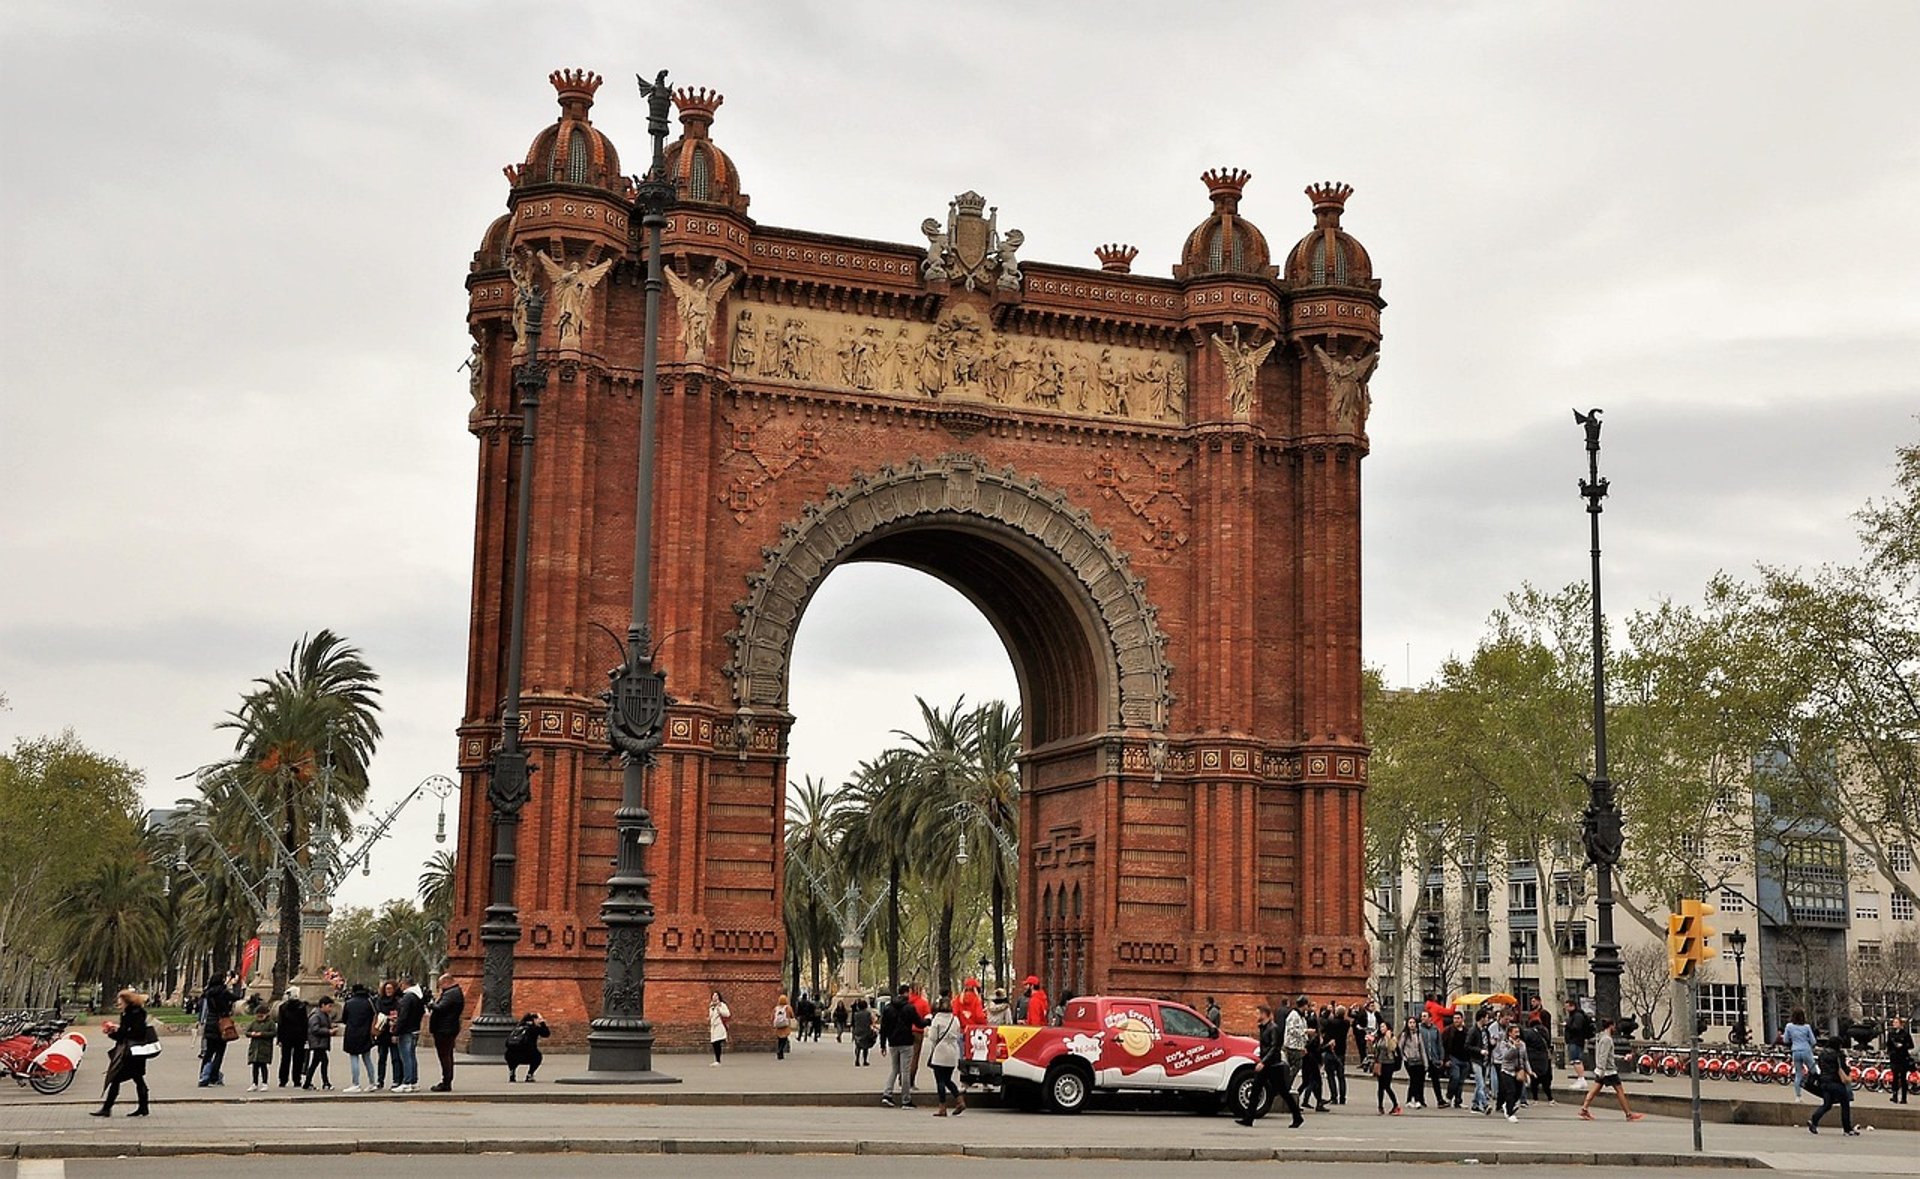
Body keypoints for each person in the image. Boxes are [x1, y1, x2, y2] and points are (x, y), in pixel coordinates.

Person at [1237, 1003, 1304, 1128]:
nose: (1256, 1015)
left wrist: (1263, 1062)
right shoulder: (1264, 1027)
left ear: (1264, 1014)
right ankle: (1249, 1118)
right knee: (1256, 1090)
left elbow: (1274, 1048)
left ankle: (1297, 1117)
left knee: (1284, 1092)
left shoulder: (1273, 1028)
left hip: (1273, 1066)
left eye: (1258, 1013)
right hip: (1267, 1064)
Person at [92, 988, 153, 1118]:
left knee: (116, 1078)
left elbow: (132, 1033)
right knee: (138, 1079)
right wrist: (116, 1031)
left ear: (126, 1001)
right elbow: (129, 1031)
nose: (118, 1003)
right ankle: (143, 1107)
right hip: (136, 1051)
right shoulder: (135, 1012)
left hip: (131, 1052)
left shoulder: (132, 1014)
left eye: (120, 1001)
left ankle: (107, 1108)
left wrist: (113, 1033)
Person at [1577, 1018, 1645, 1122]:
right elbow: (1604, 1056)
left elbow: (1606, 1055)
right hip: (1608, 1071)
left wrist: (1622, 1058)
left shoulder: (1600, 1037)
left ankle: (1584, 1109)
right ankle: (1628, 1114)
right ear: (1611, 1026)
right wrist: (1603, 1070)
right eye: (1614, 1026)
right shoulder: (1607, 1039)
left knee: (1595, 1090)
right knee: (1619, 1091)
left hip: (1602, 1069)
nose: (1615, 1028)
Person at [878, 983, 926, 1108]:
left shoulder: (888, 1008)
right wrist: (928, 1020)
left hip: (893, 1042)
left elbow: (883, 1028)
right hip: (906, 1042)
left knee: (894, 1069)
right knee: (905, 1071)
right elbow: (919, 1023)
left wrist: (882, 1044)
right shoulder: (909, 1008)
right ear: (907, 993)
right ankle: (905, 1099)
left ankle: (887, 1094)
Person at [925, 989, 965, 1116]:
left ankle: (942, 1107)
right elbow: (958, 1033)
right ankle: (959, 1100)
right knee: (948, 1079)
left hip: (940, 1051)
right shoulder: (955, 1019)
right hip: (952, 1051)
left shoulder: (937, 1019)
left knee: (940, 1081)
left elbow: (932, 1036)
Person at [1808, 1034, 1859, 1135]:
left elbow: (1820, 1066)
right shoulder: (1838, 1055)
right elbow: (1843, 1068)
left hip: (1824, 1082)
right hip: (1836, 1083)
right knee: (1845, 1104)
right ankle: (1847, 1128)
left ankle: (1814, 1121)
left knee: (1827, 1104)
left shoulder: (1822, 1054)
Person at [198, 970, 237, 1087]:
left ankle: (203, 1074)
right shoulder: (224, 992)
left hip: (210, 1022)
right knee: (220, 1052)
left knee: (209, 1052)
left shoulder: (208, 992)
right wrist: (231, 984)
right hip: (222, 1023)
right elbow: (236, 997)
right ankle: (213, 1076)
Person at [427, 972, 465, 1092]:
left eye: (440, 984)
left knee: (445, 1055)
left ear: (446, 982)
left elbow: (441, 1008)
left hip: (445, 1029)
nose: (439, 987)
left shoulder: (451, 994)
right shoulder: (453, 992)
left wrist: (431, 1004)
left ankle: (446, 1082)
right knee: (447, 1055)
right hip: (447, 1027)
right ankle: (446, 1080)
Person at [392, 976, 425, 1093]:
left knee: (406, 1057)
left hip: (406, 1031)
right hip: (415, 1029)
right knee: (411, 1056)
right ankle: (414, 1081)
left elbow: (403, 1017)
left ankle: (407, 1082)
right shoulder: (418, 996)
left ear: (405, 984)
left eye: (401, 983)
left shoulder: (407, 998)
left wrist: (396, 1032)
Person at [340, 983, 375, 1092]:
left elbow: (344, 1019)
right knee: (367, 1058)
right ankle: (372, 1082)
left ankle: (356, 1083)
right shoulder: (369, 1002)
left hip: (352, 1033)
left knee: (354, 1058)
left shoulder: (349, 1003)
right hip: (366, 1033)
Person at [1491, 1023, 1527, 1122]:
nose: (1517, 1034)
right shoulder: (1504, 1044)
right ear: (1510, 1033)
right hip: (1507, 1070)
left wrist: (1529, 1070)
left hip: (1518, 1071)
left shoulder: (1522, 1044)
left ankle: (1507, 1104)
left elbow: (1525, 1058)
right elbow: (1505, 1056)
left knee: (1518, 1092)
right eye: (1515, 1032)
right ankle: (1510, 1113)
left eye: (1518, 1032)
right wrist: (1514, 1047)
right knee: (1510, 1091)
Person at [275, 986, 309, 1088]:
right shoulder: (302, 1007)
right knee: (298, 1059)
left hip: (286, 1035)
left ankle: (283, 1080)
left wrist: (279, 1038)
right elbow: (305, 1023)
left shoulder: (283, 1007)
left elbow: (280, 1024)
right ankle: (297, 1079)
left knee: (285, 1059)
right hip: (299, 1036)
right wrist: (306, 1037)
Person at [1782, 1008, 1818, 1102]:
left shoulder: (1789, 1026)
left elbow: (1785, 1040)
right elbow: (1813, 1041)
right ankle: (1820, 1090)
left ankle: (1798, 1096)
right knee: (1814, 1071)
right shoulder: (1807, 1027)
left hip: (1795, 1051)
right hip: (1806, 1050)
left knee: (1798, 1074)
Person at [504, 1012, 550, 1082]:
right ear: (534, 1019)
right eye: (538, 1019)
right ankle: (529, 1075)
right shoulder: (534, 1028)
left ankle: (512, 1073)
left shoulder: (518, 1027)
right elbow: (546, 1034)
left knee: (512, 1054)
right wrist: (542, 1022)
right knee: (538, 1057)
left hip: (510, 1055)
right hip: (527, 1055)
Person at [303, 995, 335, 1090]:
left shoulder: (324, 1015)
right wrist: (328, 1031)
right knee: (324, 1061)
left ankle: (307, 1083)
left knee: (315, 1063)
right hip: (318, 1043)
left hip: (320, 1043)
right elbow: (314, 1029)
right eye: (329, 1006)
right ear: (323, 1005)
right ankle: (326, 1082)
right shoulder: (316, 1015)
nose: (330, 1008)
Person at [1522, 1013, 1555, 1105]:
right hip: (1544, 1057)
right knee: (1546, 1078)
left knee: (1534, 1078)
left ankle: (1535, 1099)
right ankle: (1550, 1099)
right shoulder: (1545, 1031)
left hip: (1533, 1058)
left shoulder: (1529, 1032)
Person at [372, 980, 399, 1090]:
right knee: (382, 1058)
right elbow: (378, 1013)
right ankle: (380, 1080)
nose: (388, 991)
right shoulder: (380, 1001)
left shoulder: (398, 1001)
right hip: (382, 1032)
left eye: (390, 989)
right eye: (387, 989)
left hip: (393, 1031)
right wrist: (387, 1017)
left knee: (395, 1058)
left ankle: (396, 1080)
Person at [245, 995, 275, 1091]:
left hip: (264, 1047)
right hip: (255, 1048)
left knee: (263, 1066)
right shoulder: (254, 1023)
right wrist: (252, 1034)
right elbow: (247, 1032)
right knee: (255, 1066)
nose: (259, 1017)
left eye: (261, 1015)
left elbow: (273, 1033)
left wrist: (262, 1034)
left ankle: (264, 1082)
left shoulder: (270, 1023)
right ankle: (254, 1083)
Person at [1371, 1020, 1402, 1115]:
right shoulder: (1379, 1038)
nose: (1381, 1029)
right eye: (1380, 1027)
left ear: (1388, 1028)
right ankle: (1380, 1106)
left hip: (1389, 1063)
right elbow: (1376, 1050)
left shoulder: (1392, 1038)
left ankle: (1396, 1105)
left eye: (1383, 1027)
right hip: (1380, 1063)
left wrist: (1388, 1038)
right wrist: (1372, 1042)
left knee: (1387, 1085)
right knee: (1380, 1086)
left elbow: (1391, 1048)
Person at [1442, 1011, 1472, 1109]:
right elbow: (1443, 1045)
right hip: (1453, 1058)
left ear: (1462, 1019)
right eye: (1455, 1018)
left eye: (1458, 1018)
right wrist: (1445, 1059)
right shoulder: (1448, 1031)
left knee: (1461, 1081)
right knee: (1455, 1077)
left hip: (1465, 1059)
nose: (1456, 1020)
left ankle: (1458, 1101)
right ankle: (1449, 1097)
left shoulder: (1467, 1031)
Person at [1399, 1016, 1429, 1110]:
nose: (1412, 1025)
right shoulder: (1405, 1035)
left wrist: (1426, 1063)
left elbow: (1422, 1049)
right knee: (1414, 1079)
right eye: (1410, 1023)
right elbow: (1400, 1047)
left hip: (1418, 1060)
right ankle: (1415, 1100)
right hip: (1409, 1061)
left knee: (1418, 1080)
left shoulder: (1418, 1034)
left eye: (1413, 1023)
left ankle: (1412, 1099)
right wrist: (1404, 1057)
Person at [1323, 1004, 1351, 1105]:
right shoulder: (1346, 1023)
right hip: (1341, 1051)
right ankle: (1342, 1097)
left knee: (1330, 1076)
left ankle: (1334, 1097)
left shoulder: (1331, 1023)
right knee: (1341, 1076)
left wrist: (1329, 1012)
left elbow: (1324, 1024)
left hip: (1331, 1051)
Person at [1564, 999, 1594, 1090]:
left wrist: (1567, 1025)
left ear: (1572, 1006)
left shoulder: (1577, 1016)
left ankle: (1581, 1078)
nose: (1566, 1008)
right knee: (1575, 1060)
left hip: (1576, 1040)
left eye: (1567, 1006)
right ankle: (1580, 1078)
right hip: (1575, 1040)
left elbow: (1577, 1027)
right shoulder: (1576, 1015)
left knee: (1576, 1060)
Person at [1420, 1012, 1448, 1109]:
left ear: (1430, 1018)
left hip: (1433, 1058)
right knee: (1420, 1080)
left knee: (1436, 1080)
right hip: (1422, 1059)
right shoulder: (1419, 1029)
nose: (1422, 1018)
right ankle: (1420, 1099)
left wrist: (1441, 1058)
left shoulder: (1435, 1030)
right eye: (1422, 1016)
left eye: (1425, 1016)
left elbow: (1439, 1044)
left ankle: (1440, 1100)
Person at [1887, 1016, 1913, 1105]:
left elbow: (1911, 1045)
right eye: (1894, 1023)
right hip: (1894, 1058)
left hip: (1903, 1058)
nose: (1895, 1024)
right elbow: (1888, 1045)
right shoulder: (1891, 1034)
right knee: (1894, 1077)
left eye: (1896, 1022)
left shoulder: (1905, 1034)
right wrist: (1890, 1052)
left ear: (1900, 1024)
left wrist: (1903, 1046)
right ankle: (1894, 1096)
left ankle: (1904, 1098)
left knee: (1902, 1078)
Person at [707, 991, 732, 1066]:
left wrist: (719, 1010)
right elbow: (711, 1016)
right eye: (713, 996)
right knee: (714, 1043)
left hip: (720, 1026)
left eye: (716, 996)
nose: (714, 997)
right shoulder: (711, 1006)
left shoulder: (722, 1005)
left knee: (717, 1042)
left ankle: (718, 1061)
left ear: (719, 997)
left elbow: (727, 1014)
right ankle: (717, 1060)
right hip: (714, 1026)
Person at [850, 997, 876, 1067]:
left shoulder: (856, 1014)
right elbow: (870, 1022)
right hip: (866, 1031)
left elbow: (853, 1023)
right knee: (865, 1047)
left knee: (858, 1046)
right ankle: (865, 1060)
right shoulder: (867, 1013)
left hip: (858, 1031)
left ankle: (857, 1059)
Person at [773, 993, 794, 1059]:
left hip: (778, 1025)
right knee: (784, 1039)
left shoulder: (776, 1008)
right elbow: (792, 1015)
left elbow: (773, 1016)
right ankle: (780, 1050)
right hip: (785, 1025)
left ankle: (780, 1053)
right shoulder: (788, 1008)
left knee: (779, 1039)